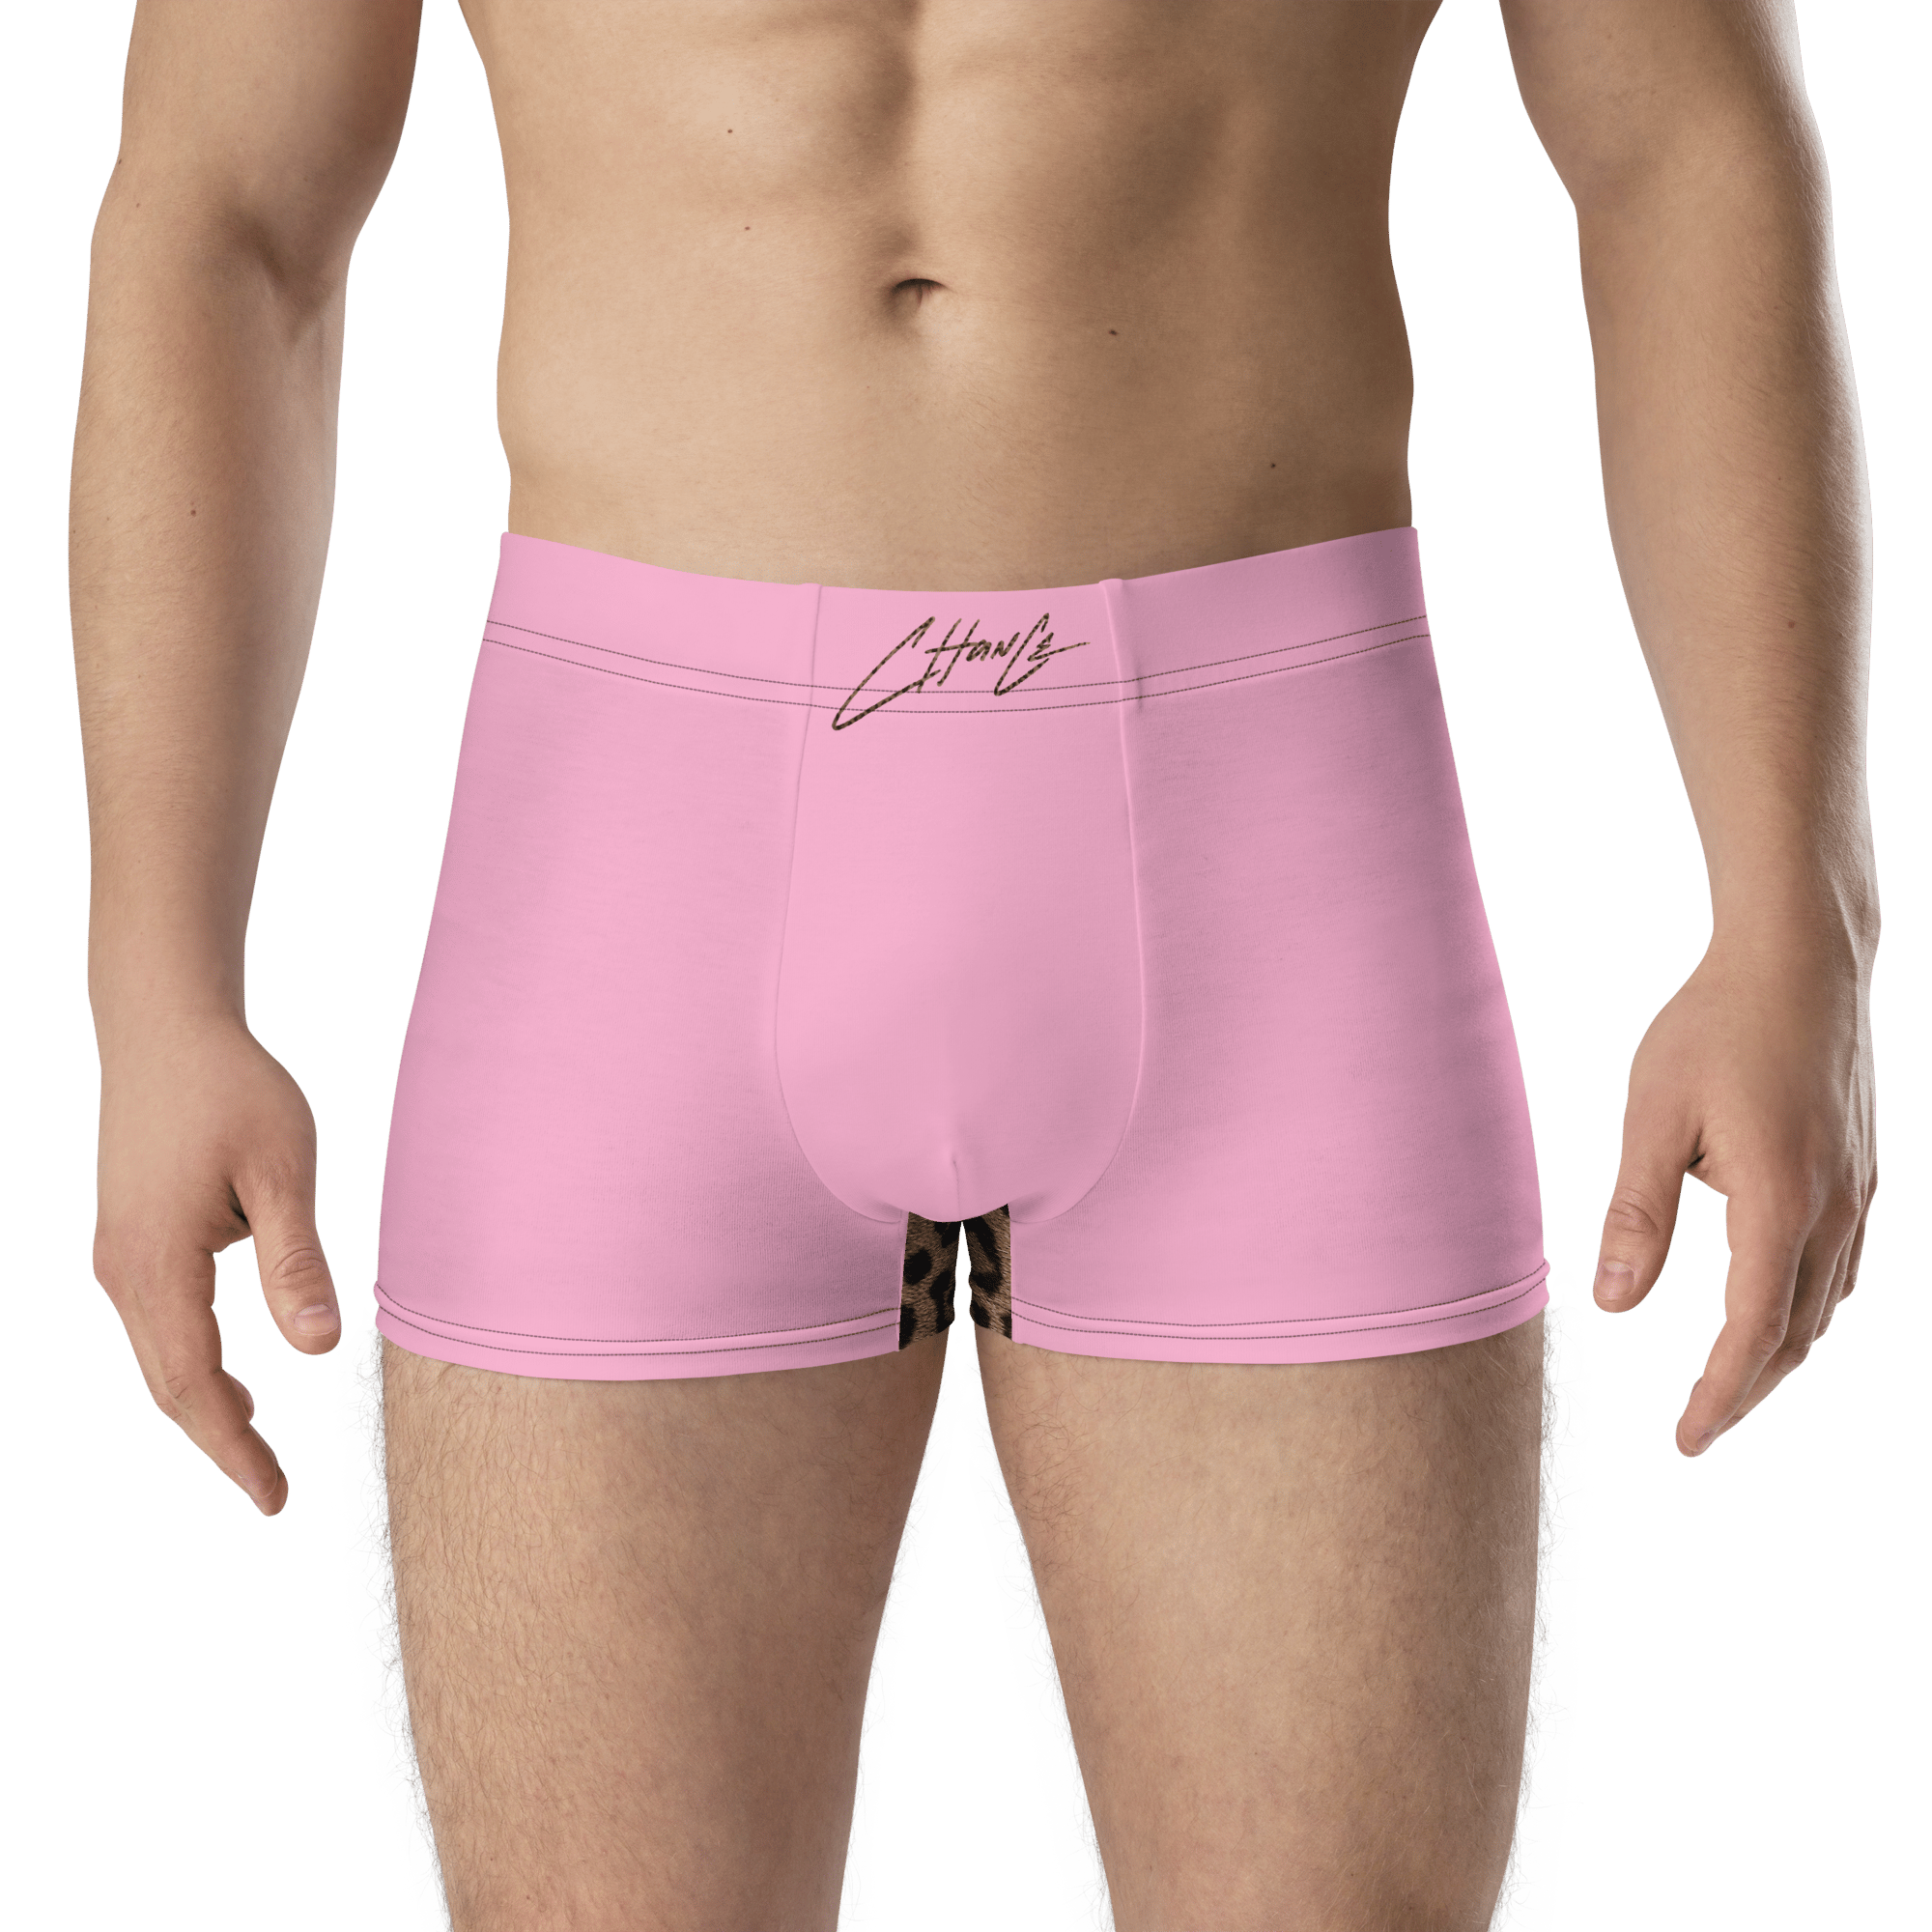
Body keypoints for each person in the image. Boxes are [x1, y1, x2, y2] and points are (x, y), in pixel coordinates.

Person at [71, 1, 1878, 1926]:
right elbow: (229, 216)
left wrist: (1797, 912)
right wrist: (157, 981)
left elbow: (1681, 147)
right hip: (629, 874)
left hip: (1269, 864)